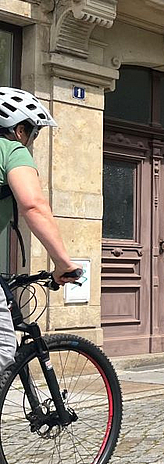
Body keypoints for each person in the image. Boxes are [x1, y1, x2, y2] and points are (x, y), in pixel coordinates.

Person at [0, 87, 81, 369]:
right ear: (19, 129)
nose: (31, 141)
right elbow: (33, 206)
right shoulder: (10, 149)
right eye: (33, 133)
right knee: (3, 348)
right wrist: (63, 264)